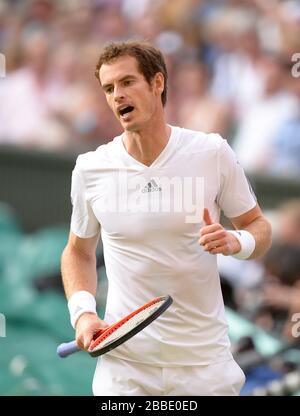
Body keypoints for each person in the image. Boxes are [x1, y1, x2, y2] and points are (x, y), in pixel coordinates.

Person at [61, 40, 272, 396]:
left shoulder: (212, 152)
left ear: (157, 83)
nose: (117, 96)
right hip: (125, 369)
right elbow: (78, 251)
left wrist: (237, 241)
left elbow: (259, 227)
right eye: (109, 88)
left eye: (127, 82)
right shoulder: (90, 168)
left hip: (205, 365)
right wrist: (83, 312)